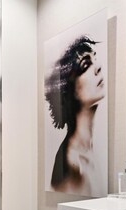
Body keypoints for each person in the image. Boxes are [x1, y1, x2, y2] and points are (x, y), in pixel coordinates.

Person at [45, 36, 105, 195]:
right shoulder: (74, 163)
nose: (98, 67)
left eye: (95, 59)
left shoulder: (88, 151)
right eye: (86, 65)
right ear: (69, 90)